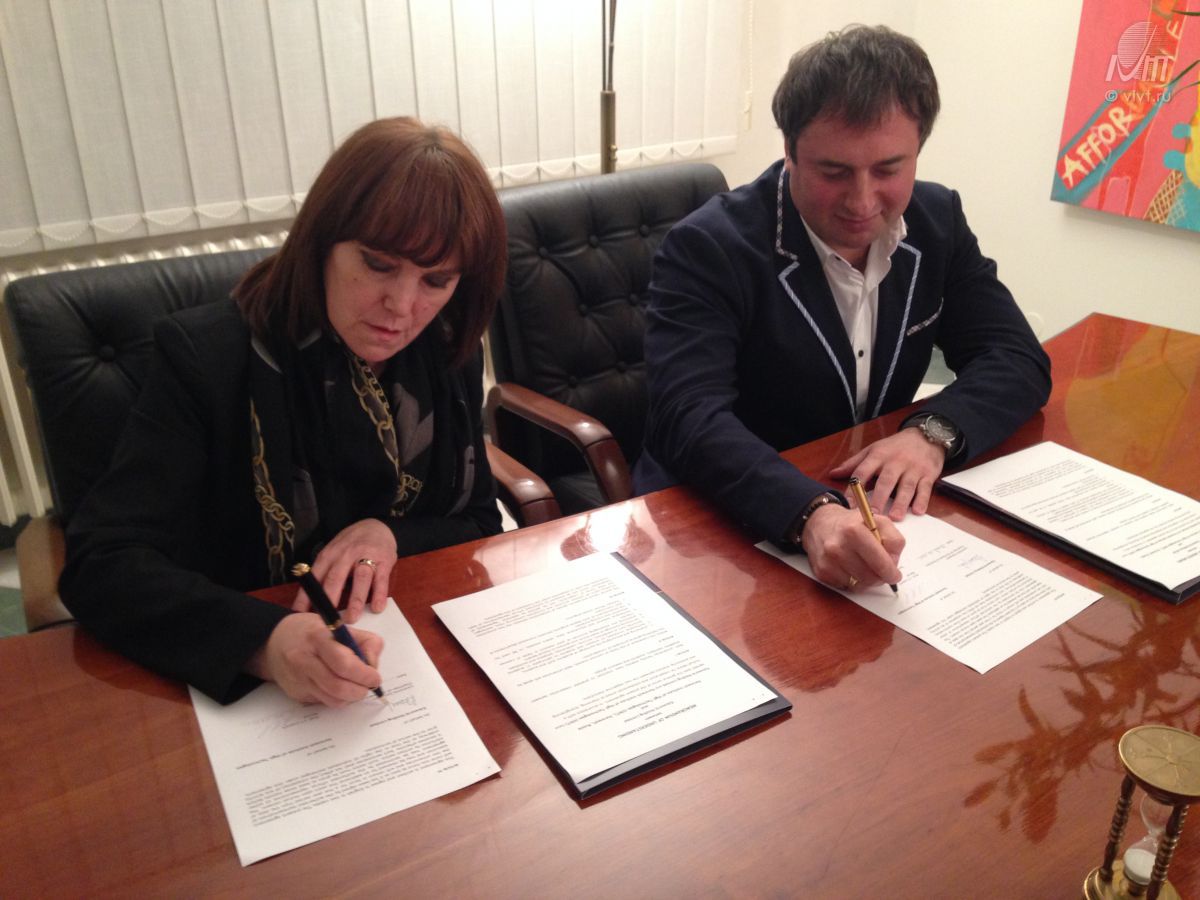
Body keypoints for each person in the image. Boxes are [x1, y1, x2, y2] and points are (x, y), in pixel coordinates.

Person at [60, 117, 507, 706]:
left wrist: (388, 532)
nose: (402, 306)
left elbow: (478, 519)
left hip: (403, 657)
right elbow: (101, 564)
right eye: (378, 264)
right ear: (322, 240)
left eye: (436, 279)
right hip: (237, 690)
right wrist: (263, 642)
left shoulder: (446, 348)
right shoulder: (208, 358)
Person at [634, 25, 1051, 592]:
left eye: (888, 170)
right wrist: (809, 513)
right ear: (789, 152)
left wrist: (931, 434)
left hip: (870, 501)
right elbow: (688, 417)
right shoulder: (708, 246)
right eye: (834, 172)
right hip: (717, 519)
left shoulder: (937, 221)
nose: (862, 200)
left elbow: (1016, 357)